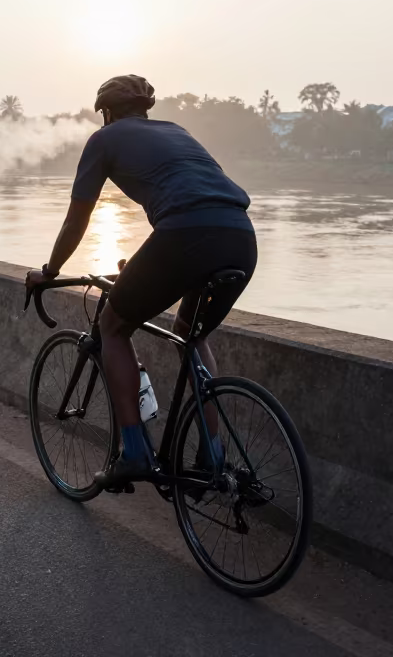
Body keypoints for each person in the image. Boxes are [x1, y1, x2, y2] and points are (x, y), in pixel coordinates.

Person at [25, 75, 257, 489]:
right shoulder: (176, 131)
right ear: (146, 110)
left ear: (106, 113)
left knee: (114, 327)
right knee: (191, 332)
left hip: (185, 235)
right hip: (240, 234)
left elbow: (77, 219)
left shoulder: (105, 139)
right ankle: (213, 456)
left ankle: (133, 452)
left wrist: (50, 271)